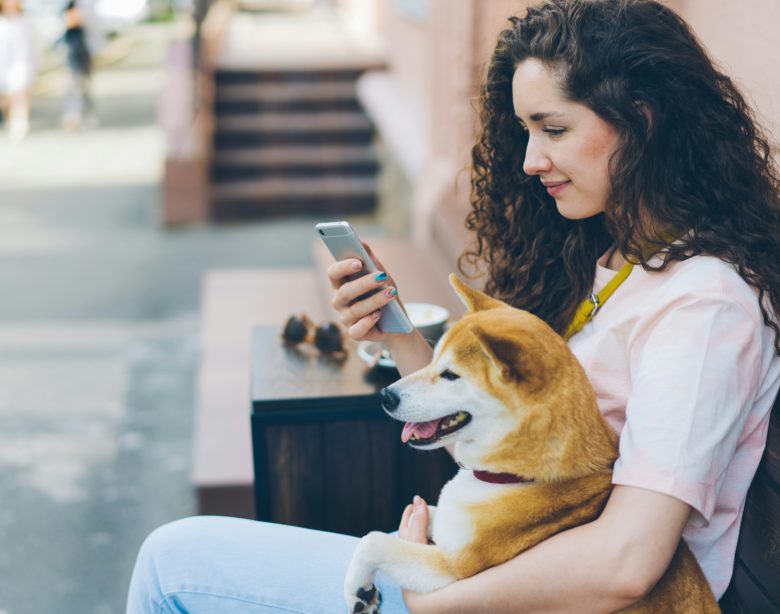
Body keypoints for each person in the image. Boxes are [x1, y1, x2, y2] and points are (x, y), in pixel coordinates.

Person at [126, 0, 780, 612]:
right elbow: (510, 451)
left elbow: (628, 563)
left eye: (552, 128)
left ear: (644, 120)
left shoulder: (703, 309)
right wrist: (395, 328)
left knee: (171, 565)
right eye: (524, 130)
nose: (529, 160)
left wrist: (429, 598)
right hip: (491, 567)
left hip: (525, 594)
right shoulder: (613, 259)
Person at [0, 0, 36, 140]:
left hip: (22, 63)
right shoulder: (2, 22)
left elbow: (32, 45)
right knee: (9, 95)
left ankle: (21, 121)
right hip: (4, 64)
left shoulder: (25, 21)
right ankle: (11, 119)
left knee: (21, 91)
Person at [59, 0, 95, 129]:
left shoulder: (86, 6)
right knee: (74, 86)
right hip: (71, 55)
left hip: (84, 53)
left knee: (84, 86)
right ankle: (73, 115)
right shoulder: (63, 8)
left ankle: (85, 115)